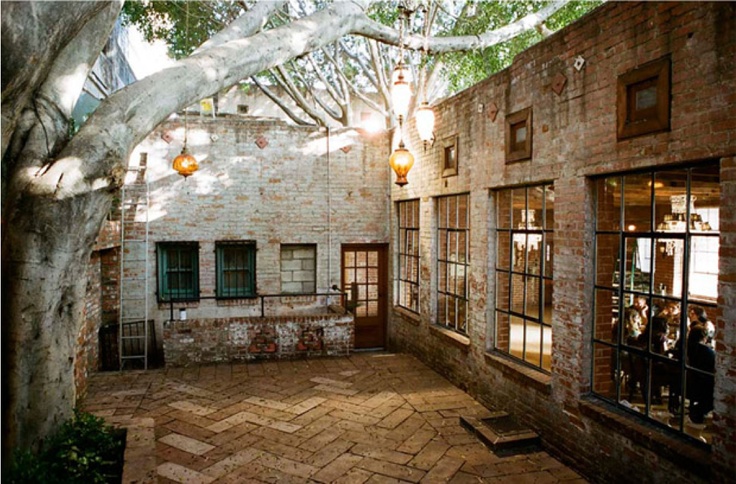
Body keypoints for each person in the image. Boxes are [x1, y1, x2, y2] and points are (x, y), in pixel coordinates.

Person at [686, 324, 715, 424]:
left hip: (687, 381)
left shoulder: (685, 346)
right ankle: (699, 410)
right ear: (704, 337)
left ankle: (698, 410)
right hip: (701, 384)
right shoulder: (707, 351)